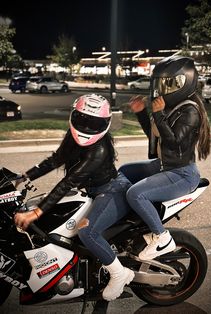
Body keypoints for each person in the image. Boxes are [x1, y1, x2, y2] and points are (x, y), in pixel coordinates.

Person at [14, 93, 134, 301]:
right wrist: (25, 176)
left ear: (105, 123)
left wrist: (35, 212)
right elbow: (56, 159)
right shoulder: (72, 136)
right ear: (73, 116)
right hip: (90, 190)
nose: (86, 126)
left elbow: (68, 181)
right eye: (82, 119)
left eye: (93, 122)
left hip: (111, 190)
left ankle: (119, 274)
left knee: (88, 233)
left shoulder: (100, 149)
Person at [123, 55, 211, 261]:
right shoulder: (171, 107)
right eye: (161, 83)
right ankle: (129, 227)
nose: (162, 89)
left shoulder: (190, 111)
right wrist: (142, 113)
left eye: (168, 84)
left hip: (181, 173)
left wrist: (158, 114)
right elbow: (156, 136)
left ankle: (162, 237)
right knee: (125, 171)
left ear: (184, 82)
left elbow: (174, 143)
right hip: (164, 166)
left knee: (136, 194)